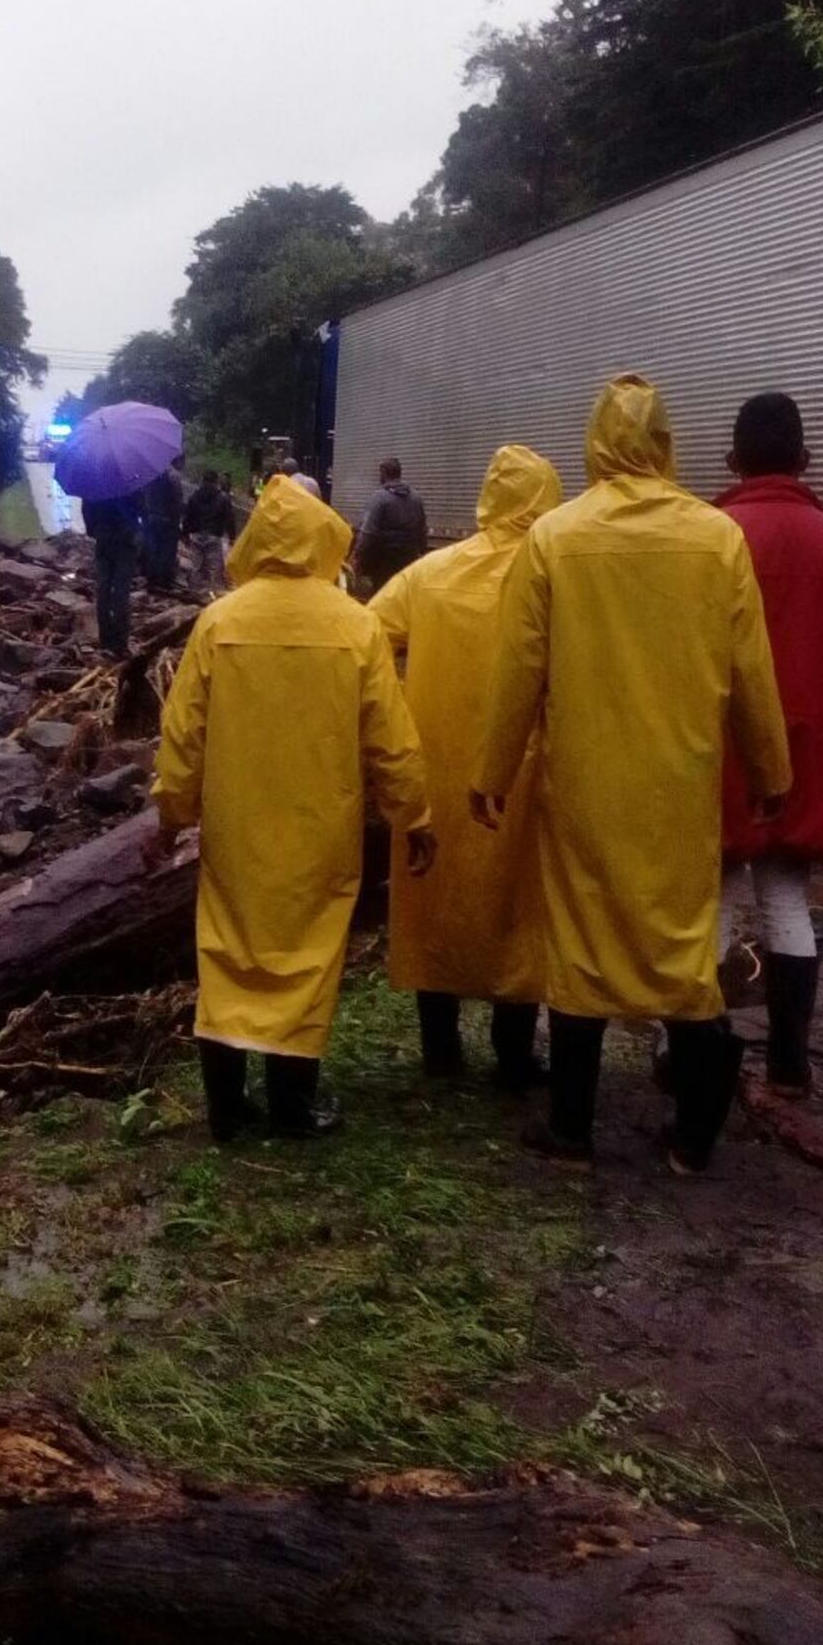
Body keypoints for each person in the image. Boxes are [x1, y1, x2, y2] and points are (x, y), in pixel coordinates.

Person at [471, 375, 791, 1176]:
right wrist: (770, 769)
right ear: (666, 443)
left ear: (595, 443)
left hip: (584, 775)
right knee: (681, 947)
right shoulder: (717, 539)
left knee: (581, 943)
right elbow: (751, 670)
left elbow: (519, 670)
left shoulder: (554, 537)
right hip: (681, 781)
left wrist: (492, 770)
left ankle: (572, 1130)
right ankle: (692, 1137)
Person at [149, 475, 435, 1140]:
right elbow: (391, 738)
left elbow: (183, 733)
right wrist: (413, 815)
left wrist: (170, 816)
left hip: (236, 825)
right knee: (307, 958)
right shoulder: (357, 627)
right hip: (319, 827)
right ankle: (292, 1107)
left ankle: (225, 1106)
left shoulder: (219, 622)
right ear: (322, 536)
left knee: (226, 950)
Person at [372, 445, 562, 1091]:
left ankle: (441, 1050)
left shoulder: (429, 575)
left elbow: (366, 638)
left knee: (436, 901)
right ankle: (514, 1058)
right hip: (522, 768)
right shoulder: (554, 576)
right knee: (519, 905)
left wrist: (396, 716)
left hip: (437, 760)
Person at [716, 392, 823, 1096]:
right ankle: (790, 1064)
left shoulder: (715, 534)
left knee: (719, 895)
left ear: (733, 458)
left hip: (729, 747)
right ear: (804, 458)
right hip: (812, 757)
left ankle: (701, 1055)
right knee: (787, 898)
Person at [82, 491, 142, 658]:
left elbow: (87, 512)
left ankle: (105, 639)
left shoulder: (95, 486)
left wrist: (94, 530)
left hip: (103, 541)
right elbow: (142, 509)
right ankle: (120, 642)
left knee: (103, 590)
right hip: (125, 542)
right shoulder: (130, 483)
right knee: (121, 592)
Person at [356, 458, 428, 591]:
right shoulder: (416, 498)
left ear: (383, 473)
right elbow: (422, 529)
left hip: (384, 560)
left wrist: (357, 555)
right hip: (408, 557)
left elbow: (368, 532)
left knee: (382, 594)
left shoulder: (379, 497)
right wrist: (422, 552)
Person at [182, 467, 235, 592]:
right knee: (215, 568)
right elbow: (229, 519)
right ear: (216, 481)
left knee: (196, 566)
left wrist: (184, 533)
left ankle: (194, 592)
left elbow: (188, 516)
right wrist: (232, 537)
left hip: (196, 535)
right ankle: (215, 594)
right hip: (214, 535)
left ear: (202, 480)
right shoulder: (223, 498)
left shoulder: (194, 496)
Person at [141, 455, 185, 592]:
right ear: (178, 461)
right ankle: (164, 581)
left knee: (153, 549)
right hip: (167, 519)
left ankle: (152, 579)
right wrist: (178, 522)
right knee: (167, 551)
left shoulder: (150, 474)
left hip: (150, 517)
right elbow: (177, 501)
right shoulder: (174, 476)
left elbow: (142, 496)